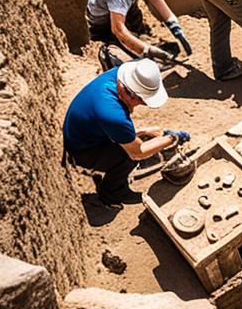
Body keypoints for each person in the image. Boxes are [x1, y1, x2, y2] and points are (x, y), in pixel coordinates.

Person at [62, 58, 189, 207]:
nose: (143, 105)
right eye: (142, 101)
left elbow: (113, 122)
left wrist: (142, 132)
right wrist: (172, 138)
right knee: (127, 157)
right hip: (81, 148)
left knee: (135, 138)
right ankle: (111, 195)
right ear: (130, 95)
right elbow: (137, 153)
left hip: (84, 129)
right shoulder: (112, 114)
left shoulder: (122, 73)